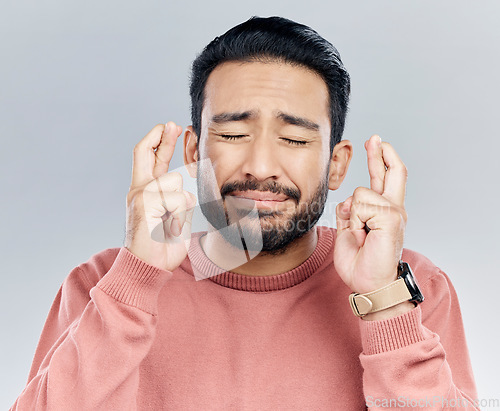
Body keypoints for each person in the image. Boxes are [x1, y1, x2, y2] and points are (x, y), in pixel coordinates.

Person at [12, 16, 478, 410]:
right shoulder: (101, 284)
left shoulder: (411, 286)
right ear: (194, 151)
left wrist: (384, 305)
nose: (259, 166)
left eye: (295, 139)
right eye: (233, 134)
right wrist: (136, 278)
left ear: (336, 165)